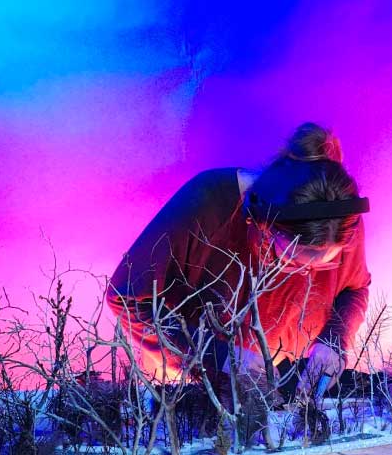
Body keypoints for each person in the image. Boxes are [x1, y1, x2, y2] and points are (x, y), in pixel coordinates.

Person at [105, 122, 371, 398]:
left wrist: (335, 339)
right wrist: (217, 355)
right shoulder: (208, 200)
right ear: (262, 225)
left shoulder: (338, 223)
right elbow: (127, 298)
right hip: (198, 384)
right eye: (291, 257)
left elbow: (354, 288)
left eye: (322, 265)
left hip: (285, 388)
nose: (304, 273)